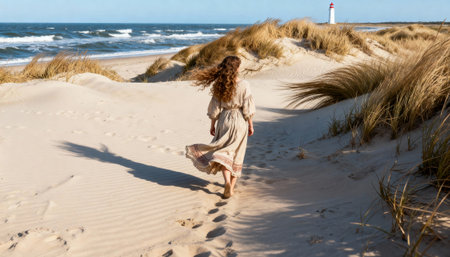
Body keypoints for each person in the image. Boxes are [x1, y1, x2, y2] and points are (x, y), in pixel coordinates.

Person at [185, 56, 255, 199]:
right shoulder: (244, 84)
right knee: (237, 154)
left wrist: (213, 124)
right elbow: (247, 107)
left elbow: (214, 108)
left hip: (224, 120)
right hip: (239, 120)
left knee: (224, 150)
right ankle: (231, 186)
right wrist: (250, 124)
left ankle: (227, 182)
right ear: (236, 68)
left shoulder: (219, 85)